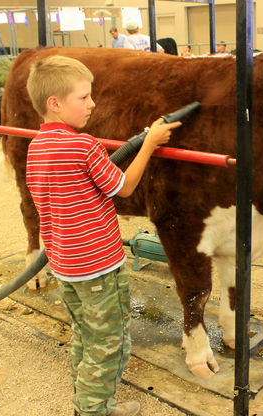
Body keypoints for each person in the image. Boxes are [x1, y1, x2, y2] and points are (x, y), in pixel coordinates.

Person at [25, 55, 181, 416]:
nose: (92, 104)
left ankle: (91, 402)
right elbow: (123, 188)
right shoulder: (84, 146)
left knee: (84, 334)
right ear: (55, 103)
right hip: (97, 269)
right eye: (83, 98)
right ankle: (94, 410)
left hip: (66, 267)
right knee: (109, 345)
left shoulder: (36, 147)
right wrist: (150, 143)